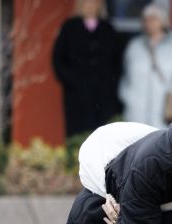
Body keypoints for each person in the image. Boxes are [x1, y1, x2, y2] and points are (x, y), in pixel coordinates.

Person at [51, 0, 122, 138]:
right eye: (86, 3)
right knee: (77, 132)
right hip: (77, 95)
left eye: (93, 3)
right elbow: (58, 60)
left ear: (99, 6)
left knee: (102, 134)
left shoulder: (108, 29)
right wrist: (73, 80)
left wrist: (110, 83)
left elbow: (117, 62)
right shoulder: (69, 28)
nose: (90, 6)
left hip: (103, 96)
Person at [118, 4, 172, 129]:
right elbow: (126, 74)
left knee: (160, 138)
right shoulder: (134, 45)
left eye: (153, 19)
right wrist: (127, 96)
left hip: (163, 110)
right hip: (136, 110)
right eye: (145, 19)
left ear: (163, 21)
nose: (148, 23)